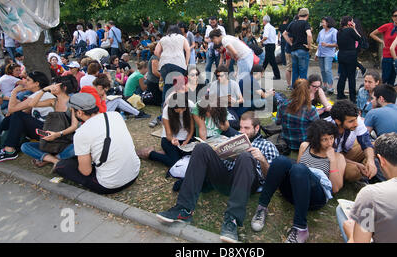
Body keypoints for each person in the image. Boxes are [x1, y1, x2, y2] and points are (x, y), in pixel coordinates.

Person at [156, 111, 279, 243]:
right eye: (241, 127)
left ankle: (232, 220)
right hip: (225, 179)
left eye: (247, 128)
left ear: (257, 128)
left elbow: (271, 179)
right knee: (201, 148)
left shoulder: (267, 146)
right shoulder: (235, 138)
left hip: (248, 184)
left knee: (245, 156)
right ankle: (183, 209)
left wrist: (262, 160)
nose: (242, 131)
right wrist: (219, 150)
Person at [251, 119, 346, 243]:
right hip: (295, 194)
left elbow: (335, 188)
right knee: (281, 160)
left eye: (331, 138)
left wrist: (332, 161)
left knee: (300, 168)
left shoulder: (339, 157)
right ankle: (262, 207)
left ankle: (300, 227)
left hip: (316, 198)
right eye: (324, 139)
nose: (329, 143)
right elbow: (296, 173)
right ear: (316, 139)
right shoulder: (305, 146)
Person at [54, 93, 140, 194]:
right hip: (134, 172)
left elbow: (86, 171)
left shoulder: (82, 132)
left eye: (72, 110)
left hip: (110, 185)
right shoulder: (115, 115)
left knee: (61, 166)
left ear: (80, 113)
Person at [20, 76, 79, 168]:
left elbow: (74, 126)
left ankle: (49, 159)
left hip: (66, 139)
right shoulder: (53, 101)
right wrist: (43, 90)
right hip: (52, 138)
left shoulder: (73, 104)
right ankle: (55, 160)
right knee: (25, 146)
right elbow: (31, 104)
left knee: (77, 147)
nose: (52, 86)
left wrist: (57, 134)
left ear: (64, 88)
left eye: (55, 85)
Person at [0, 71, 52, 161]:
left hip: (46, 134)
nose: (24, 81)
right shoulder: (39, 95)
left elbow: (11, 109)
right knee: (13, 116)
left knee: (17, 114)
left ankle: (9, 150)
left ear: (36, 84)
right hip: (41, 130)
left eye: (28, 80)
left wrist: (14, 91)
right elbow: (22, 111)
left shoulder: (40, 95)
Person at [326, 100, 378, 182]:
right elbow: (331, 156)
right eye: (351, 121)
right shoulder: (326, 129)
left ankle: (367, 171)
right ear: (338, 121)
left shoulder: (356, 121)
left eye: (356, 119)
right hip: (332, 159)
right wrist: (356, 164)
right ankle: (362, 173)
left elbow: (366, 143)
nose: (356, 124)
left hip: (346, 152)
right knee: (353, 172)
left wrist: (370, 161)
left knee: (377, 145)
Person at [137, 93, 194, 167]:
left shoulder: (191, 105)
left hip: (186, 139)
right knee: (175, 163)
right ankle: (150, 153)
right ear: (173, 109)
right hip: (169, 139)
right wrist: (172, 139)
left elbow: (192, 128)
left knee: (191, 158)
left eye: (184, 109)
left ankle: (168, 153)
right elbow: (168, 134)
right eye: (179, 111)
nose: (182, 112)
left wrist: (187, 140)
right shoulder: (167, 110)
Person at [277, 79, 319, 152]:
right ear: (308, 90)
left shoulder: (283, 105)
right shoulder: (311, 109)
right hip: (303, 144)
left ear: (293, 89)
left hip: (287, 141)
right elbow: (318, 128)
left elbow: (277, 122)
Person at [370, 8, 397, 86]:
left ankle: (390, 94)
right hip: (388, 55)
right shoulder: (387, 26)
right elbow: (372, 34)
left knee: (395, 78)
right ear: (392, 17)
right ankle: (381, 93)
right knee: (385, 77)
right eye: (395, 15)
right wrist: (381, 41)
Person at [155, 25, 191, 101]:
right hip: (179, 64)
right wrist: (186, 63)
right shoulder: (182, 38)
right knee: (178, 87)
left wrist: (162, 58)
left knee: (167, 85)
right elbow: (188, 50)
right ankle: (178, 106)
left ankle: (164, 107)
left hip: (164, 64)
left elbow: (156, 52)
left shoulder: (163, 39)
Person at [283, 8, 313, 85]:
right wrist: (309, 46)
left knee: (295, 72)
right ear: (307, 15)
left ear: (299, 15)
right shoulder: (305, 23)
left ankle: (295, 90)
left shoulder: (292, 23)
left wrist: (290, 43)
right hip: (302, 50)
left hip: (293, 50)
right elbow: (309, 35)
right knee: (303, 72)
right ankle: (303, 91)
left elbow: (284, 34)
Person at [336, 16, 362, 103]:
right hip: (350, 55)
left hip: (341, 54)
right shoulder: (350, 30)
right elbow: (359, 38)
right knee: (351, 76)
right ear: (349, 22)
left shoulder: (339, 32)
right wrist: (354, 28)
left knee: (342, 75)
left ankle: (340, 94)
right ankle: (352, 97)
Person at [316, 17, 338, 94]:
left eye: (323, 22)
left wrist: (327, 44)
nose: (322, 24)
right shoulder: (321, 31)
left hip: (329, 53)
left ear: (328, 23)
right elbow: (318, 43)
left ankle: (330, 87)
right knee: (322, 70)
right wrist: (316, 54)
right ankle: (324, 85)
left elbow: (336, 44)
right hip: (321, 53)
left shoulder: (334, 31)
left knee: (327, 69)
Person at [204, 17, 226, 83]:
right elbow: (205, 39)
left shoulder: (221, 28)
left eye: (213, 22)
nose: (212, 24)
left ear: (216, 21)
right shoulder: (208, 28)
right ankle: (207, 80)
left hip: (219, 49)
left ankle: (217, 80)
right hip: (210, 48)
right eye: (211, 22)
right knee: (208, 65)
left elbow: (224, 37)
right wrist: (211, 40)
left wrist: (216, 40)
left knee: (218, 65)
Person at [261, 15, 281, 80]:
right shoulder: (272, 27)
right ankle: (261, 72)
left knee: (272, 61)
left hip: (269, 45)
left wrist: (261, 41)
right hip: (272, 44)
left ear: (264, 21)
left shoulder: (266, 27)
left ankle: (277, 75)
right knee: (266, 60)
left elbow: (266, 37)